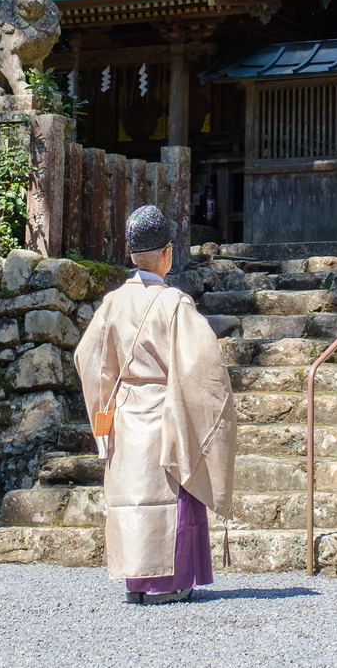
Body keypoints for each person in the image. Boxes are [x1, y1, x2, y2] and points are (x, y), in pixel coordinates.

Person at [74, 205, 237, 605]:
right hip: (165, 411)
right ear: (167, 254)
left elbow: (88, 358)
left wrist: (105, 405)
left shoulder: (112, 304)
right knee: (170, 499)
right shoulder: (175, 304)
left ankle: (137, 582)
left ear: (132, 256)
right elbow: (203, 368)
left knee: (133, 499)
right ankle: (170, 582)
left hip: (128, 411)